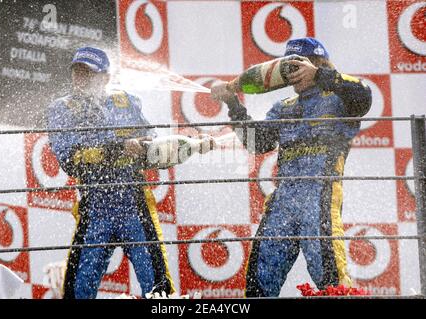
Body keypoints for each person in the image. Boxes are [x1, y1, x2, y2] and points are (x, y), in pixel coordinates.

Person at [47, 47, 213, 299]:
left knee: (158, 289)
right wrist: (119, 149)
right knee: (78, 290)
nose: (80, 78)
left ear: (105, 77)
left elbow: (153, 148)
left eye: (87, 72)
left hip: (134, 204)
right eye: (77, 71)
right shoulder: (63, 109)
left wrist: (189, 144)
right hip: (95, 208)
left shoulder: (127, 101)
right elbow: (71, 161)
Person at [211, 38, 372, 297]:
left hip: (320, 198)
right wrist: (233, 104)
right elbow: (258, 143)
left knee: (331, 278)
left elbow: (364, 96)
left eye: (297, 66)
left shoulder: (340, 98)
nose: (292, 74)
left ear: (319, 63)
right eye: (287, 68)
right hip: (282, 200)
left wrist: (320, 75)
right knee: (258, 279)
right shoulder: (284, 107)